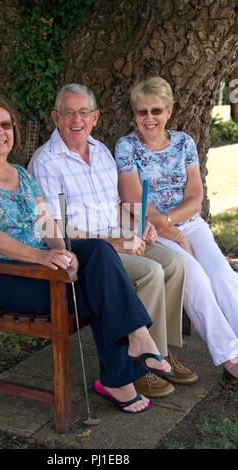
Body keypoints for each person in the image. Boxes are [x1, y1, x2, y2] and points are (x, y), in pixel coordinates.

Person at [0, 94, 178, 415]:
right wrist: (41, 257)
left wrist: (59, 248)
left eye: (5, 124)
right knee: (101, 288)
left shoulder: (20, 173)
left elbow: (47, 222)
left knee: (99, 252)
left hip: (43, 265)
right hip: (7, 277)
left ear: (13, 129)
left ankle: (137, 338)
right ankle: (120, 375)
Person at [27, 83, 198, 400]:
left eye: (83, 112)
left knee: (176, 262)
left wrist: (140, 225)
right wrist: (118, 244)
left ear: (95, 117)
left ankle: (160, 350)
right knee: (150, 271)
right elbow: (53, 230)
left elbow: (117, 208)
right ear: (55, 117)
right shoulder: (46, 162)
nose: (76, 120)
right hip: (86, 251)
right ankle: (140, 366)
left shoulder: (102, 152)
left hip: (116, 236)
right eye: (68, 113)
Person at [114, 76, 238, 380]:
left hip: (190, 225)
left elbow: (196, 198)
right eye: (142, 112)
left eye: (156, 111)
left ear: (169, 111)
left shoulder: (184, 143)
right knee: (195, 276)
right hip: (152, 232)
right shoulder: (127, 147)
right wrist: (173, 233)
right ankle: (230, 358)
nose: (149, 119)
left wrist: (178, 226)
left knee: (222, 274)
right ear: (134, 114)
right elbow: (135, 203)